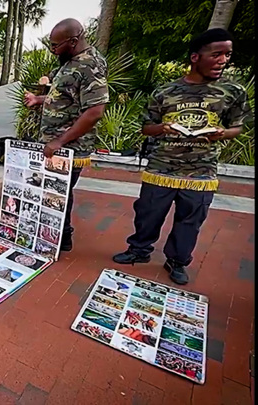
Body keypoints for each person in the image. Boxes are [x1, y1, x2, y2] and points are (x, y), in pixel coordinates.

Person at [112, 29, 251, 285]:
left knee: (190, 220)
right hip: (161, 167)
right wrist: (163, 128)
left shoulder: (233, 91)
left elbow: (238, 126)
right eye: (216, 54)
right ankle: (139, 250)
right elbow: (146, 127)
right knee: (147, 213)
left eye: (227, 55)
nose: (223, 60)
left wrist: (222, 133)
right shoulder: (165, 92)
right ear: (196, 57)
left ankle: (177, 261)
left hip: (200, 171)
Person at [23, 18, 109, 252]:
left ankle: (62, 237)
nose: (52, 50)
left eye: (55, 45)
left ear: (73, 41)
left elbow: (94, 111)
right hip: (54, 143)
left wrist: (59, 141)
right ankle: (53, 232)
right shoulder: (69, 61)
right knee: (51, 189)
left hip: (69, 147)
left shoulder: (90, 65)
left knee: (58, 192)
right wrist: (39, 100)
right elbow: (65, 95)